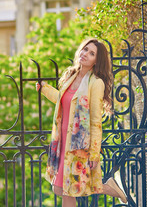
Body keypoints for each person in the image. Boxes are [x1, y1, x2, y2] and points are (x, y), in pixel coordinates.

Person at [36, 38, 127, 206]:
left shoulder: (96, 83)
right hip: (62, 141)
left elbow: (95, 121)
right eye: (85, 50)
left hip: (79, 146)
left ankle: (109, 188)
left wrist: (94, 153)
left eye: (91, 53)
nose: (85, 54)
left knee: (66, 189)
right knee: (61, 189)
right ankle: (109, 187)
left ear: (95, 61)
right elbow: (63, 101)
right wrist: (45, 89)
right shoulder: (71, 76)